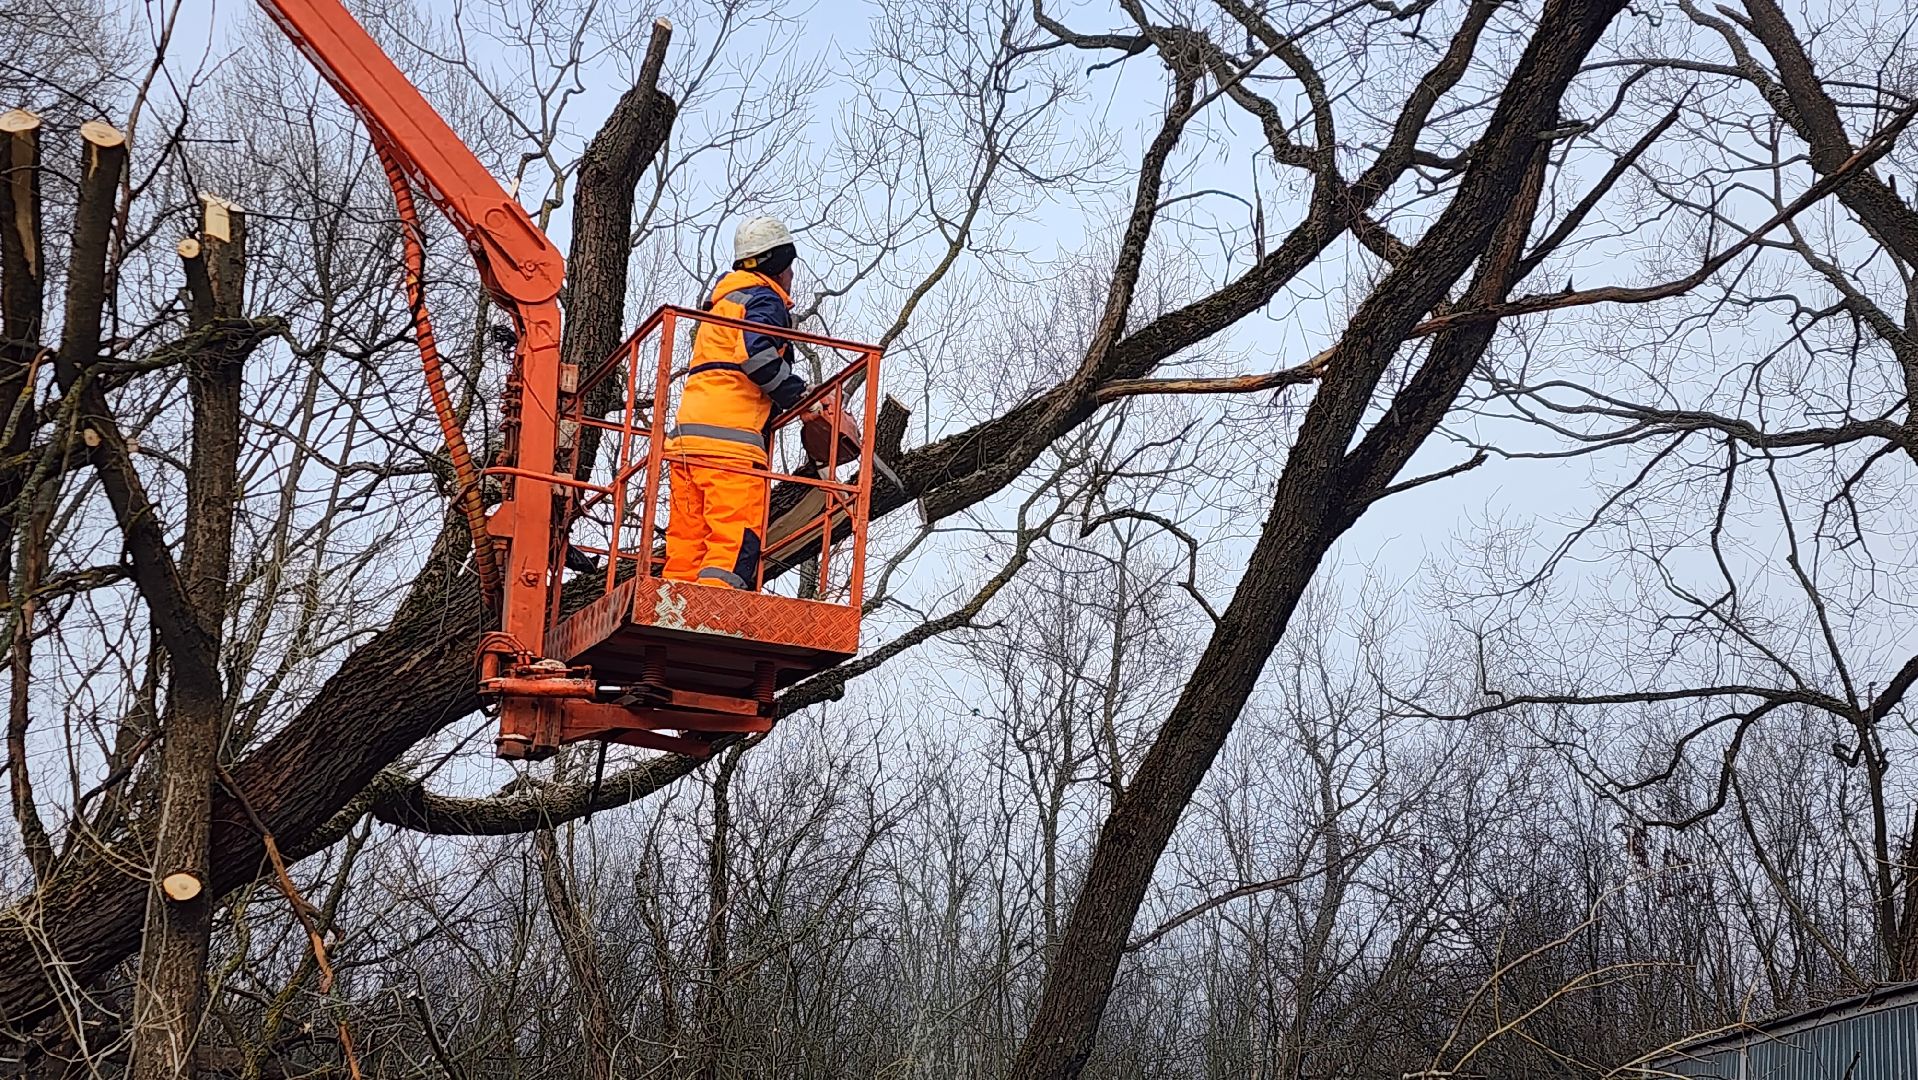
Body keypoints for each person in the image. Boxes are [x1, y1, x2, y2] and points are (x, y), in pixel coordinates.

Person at [662, 217, 809, 589]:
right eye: (789, 265)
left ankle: (675, 607)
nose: (792, 275)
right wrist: (798, 394)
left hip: (686, 442)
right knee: (733, 540)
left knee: (686, 543)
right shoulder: (764, 299)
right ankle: (713, 612)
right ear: (777, 264)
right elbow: (756, 356)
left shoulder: (721, 307)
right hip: (730, 443)